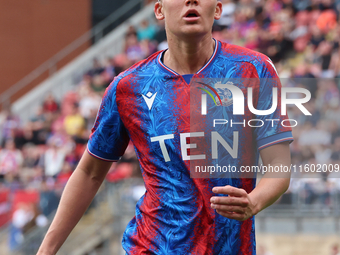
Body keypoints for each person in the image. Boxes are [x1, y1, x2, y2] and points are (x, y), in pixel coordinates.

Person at [37, 0, 293, 254]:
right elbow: (89, 172)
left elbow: (279, 166)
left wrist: (254, 202)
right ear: (159, 10)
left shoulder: (253, 71)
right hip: (152, 246)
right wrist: (46, 250)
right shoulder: (129, 87)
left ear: (217, 8)